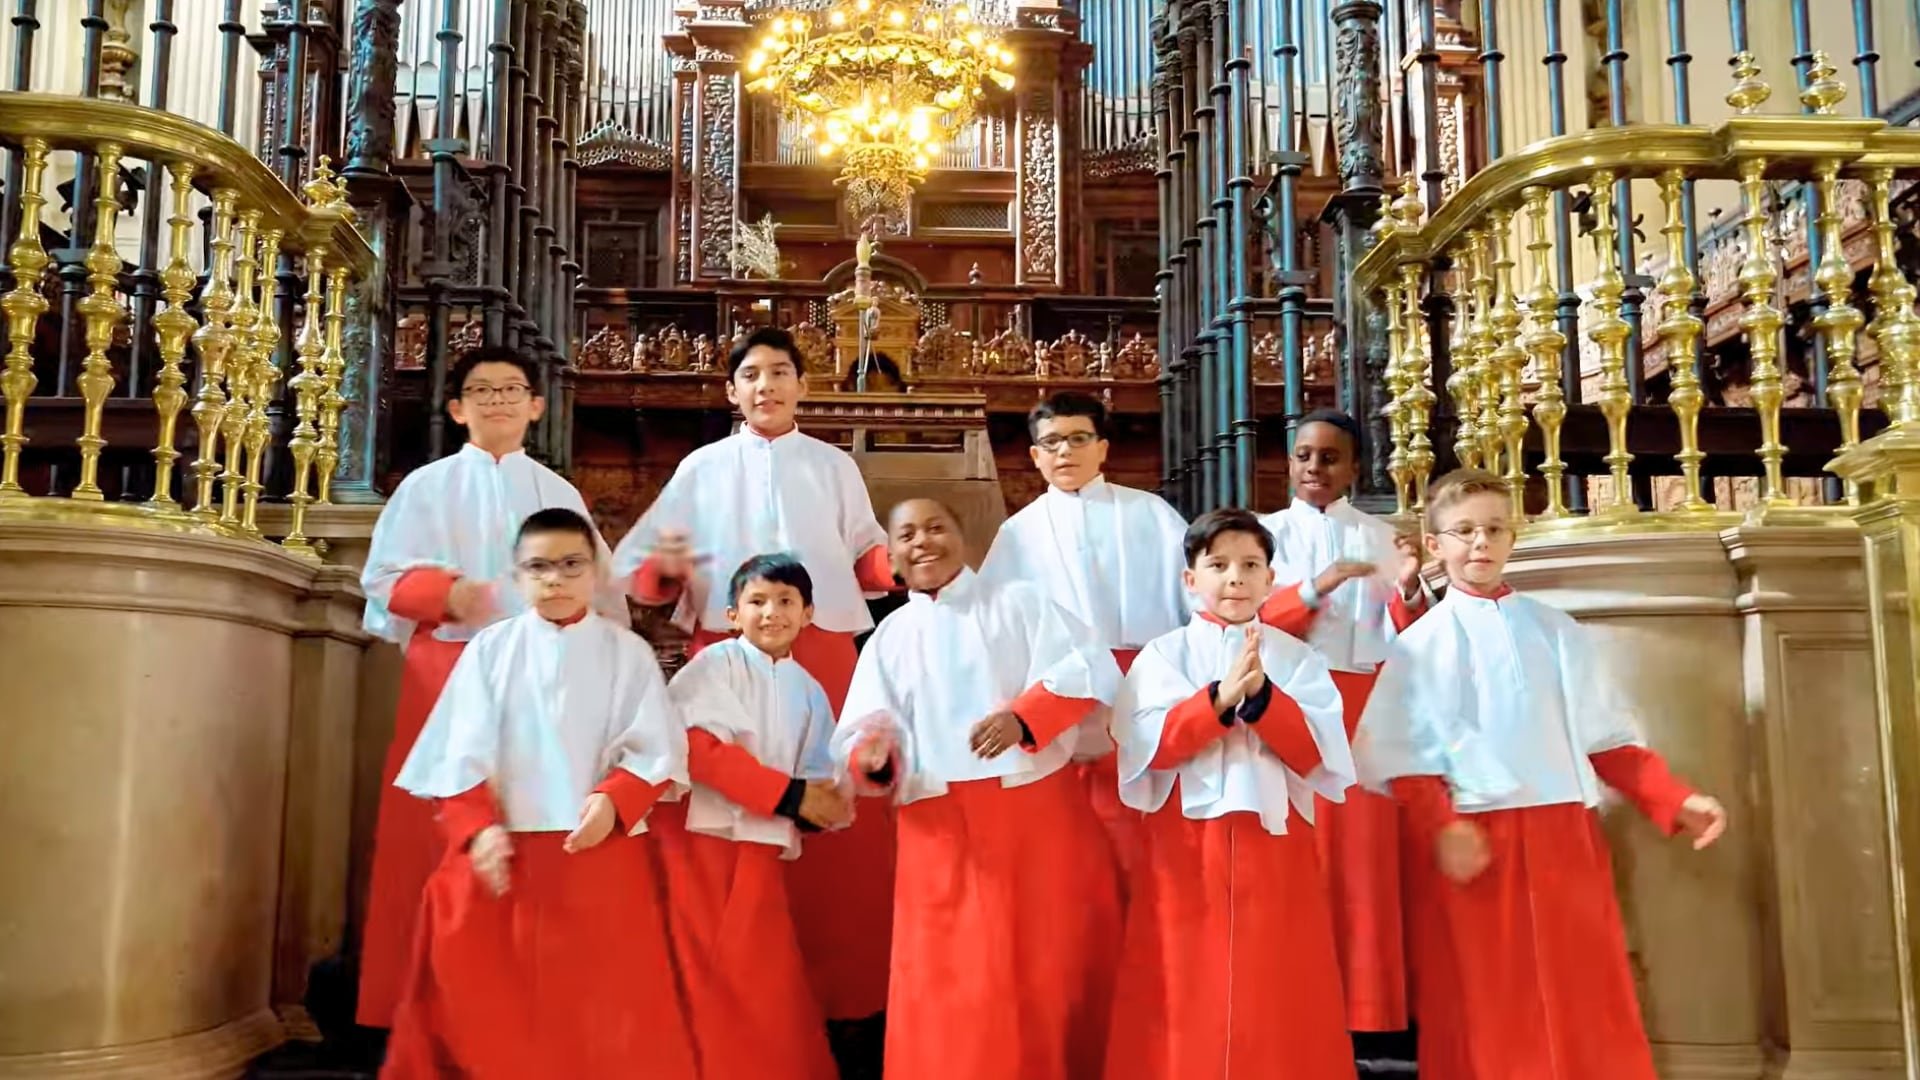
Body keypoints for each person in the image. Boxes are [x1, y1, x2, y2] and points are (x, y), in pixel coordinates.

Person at [1356, 468, 1729, 1080]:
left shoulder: (1554, 630)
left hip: (1563, 832)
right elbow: (1405, 757)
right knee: (1481, 999)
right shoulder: (1417, 646)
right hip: (1472, 839)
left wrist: (1675, 799)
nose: (1480, 543)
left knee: (1584, 989)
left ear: (1514, 536)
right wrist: (1442, 826)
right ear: (1434, 544)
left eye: (1494, 529)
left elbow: (1607, 738)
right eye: (1465, 530)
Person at [612, 325, 897, 1023]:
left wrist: (916, 574)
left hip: (823, 641)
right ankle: (738, 988)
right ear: (732, 390)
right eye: (751, 374)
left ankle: (845, 995)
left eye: (779, 372)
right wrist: (665, 571)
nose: (765, 385)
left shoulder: (834, 466)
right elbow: (648, 572)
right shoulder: (700, 469)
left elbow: (867, 556)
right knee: (730, 805)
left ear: (801, 384)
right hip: (727, 642)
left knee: (840, 809)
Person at [355, 344, 621, 1029]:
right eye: (481, 389)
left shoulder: (560, 495)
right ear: (455, 407)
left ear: (535, 405)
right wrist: (453, 594)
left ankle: (530, 999)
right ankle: (428, 1005)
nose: (497, 399)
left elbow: (604, 591)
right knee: (439, 828)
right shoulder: (426, 486)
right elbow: (384, 581)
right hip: (446, 672)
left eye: (511, 389)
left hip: (547, 679)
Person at [379, 508, 695, 1079]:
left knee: (608, 1007)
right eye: (538, 567)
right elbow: (456, 755)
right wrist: (477, 829)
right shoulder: (489, 651)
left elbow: (654, 749)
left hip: (598, 848)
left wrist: (616, 800)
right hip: (507, 850)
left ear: (596, 571)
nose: (555, 579)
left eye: (571, 564)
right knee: (488, 1000)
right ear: (517, 575)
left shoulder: (628, 652)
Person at [834, 498, 1124, 1080]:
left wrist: (1025, 716)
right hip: (935, 824)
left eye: (937, 527)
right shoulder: (890, 634)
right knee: (948, 969)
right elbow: (867, 728)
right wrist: (873, 755)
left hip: (1031, 810)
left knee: (1040, 959)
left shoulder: (1021, 601)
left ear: (963, 537)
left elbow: (1087, 669)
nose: (923, 543)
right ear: (890, 555)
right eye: (908, 534)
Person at [1107, 508, 1359, 1080]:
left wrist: (1264, 699)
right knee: (1184, 975)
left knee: (1273, 975)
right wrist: (1218, 698)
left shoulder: (1297, 659)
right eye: (1218, 565)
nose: (1235, 579)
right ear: (1190, 578)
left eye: (1251, 566)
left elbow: (1318, 754)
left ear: (1272, 579)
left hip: (1275, 844)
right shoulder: (1163, 656)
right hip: (1184, 842)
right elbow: (1154, 745)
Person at [1257, 408, 1429, 1034]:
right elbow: (1246, 626)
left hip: (1366, 705)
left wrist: (1410, 588)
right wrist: (1316, 587)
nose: (1314, 468)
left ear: (1355, 467)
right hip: (1288, 707)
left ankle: (1365, 1010)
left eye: (1330, 457)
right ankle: (1290, 1000)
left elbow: (1413, 636)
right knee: (1295, 854)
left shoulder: (1383, 538)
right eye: (1304, 455)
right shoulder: (1261, 535)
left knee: (1362, 861)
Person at [979, 391, 1189, 880]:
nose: (1064, 453)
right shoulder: (1017, 532)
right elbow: (994, 624)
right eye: (1051, 443)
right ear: (1034, 455)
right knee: (1075, 841)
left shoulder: (1152, 514)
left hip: (1146, 682)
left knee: (1144, 830)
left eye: (1078, 439)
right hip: (1062, 696)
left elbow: (1194, 596)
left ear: (1103, 447)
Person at [655, 553, 850, 1080]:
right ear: (732, 615)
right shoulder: (712, 666)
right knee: (707, 969)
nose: (772, 613)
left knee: (759, 972)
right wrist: (789, 796)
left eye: (786, 601)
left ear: (808, 614)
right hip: (701, 844)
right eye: (757, 601)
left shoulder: (809, 689)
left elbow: (818, 774)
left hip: (762, 848)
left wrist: (825, 805)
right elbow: (698, 748)